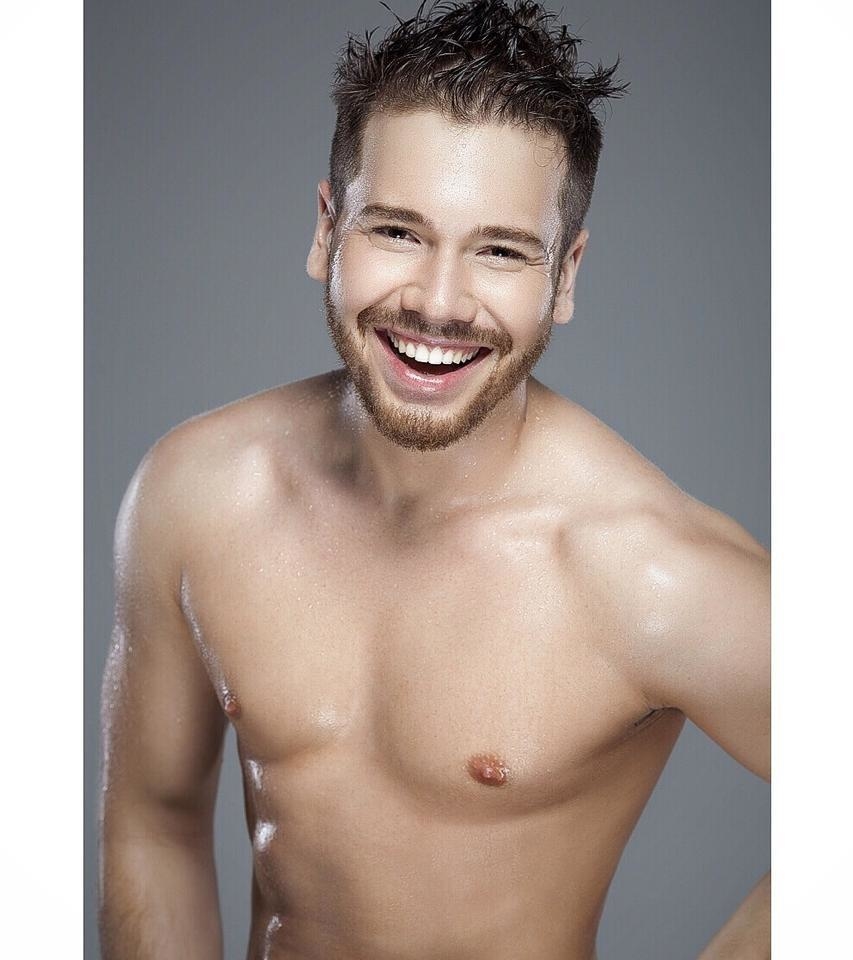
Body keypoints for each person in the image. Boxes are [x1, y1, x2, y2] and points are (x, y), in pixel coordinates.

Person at [97, 1, 770, 958]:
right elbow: (154, 825)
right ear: (327, 230)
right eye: (398, 232)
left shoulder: (650, 567)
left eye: (499, 250)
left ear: (564, 276)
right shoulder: (196, 493)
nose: (439, 303)